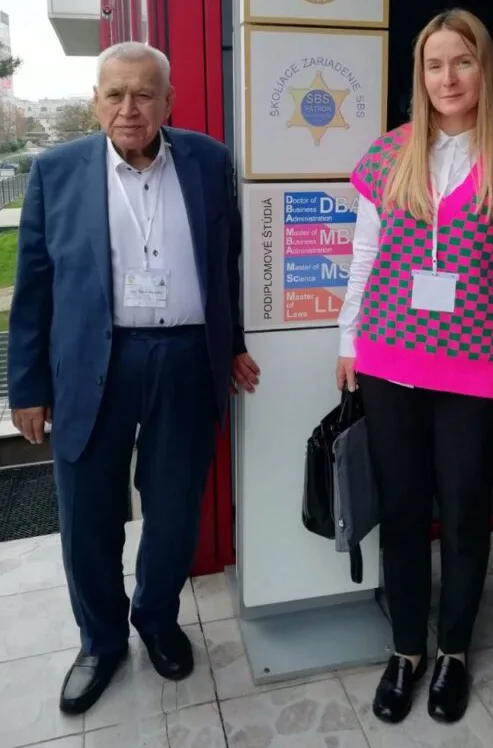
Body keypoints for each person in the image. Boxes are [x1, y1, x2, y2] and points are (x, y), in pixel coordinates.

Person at [8, 42, 259, 715]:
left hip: (184, 360)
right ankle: (100, 641)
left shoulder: (209, 161)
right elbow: (33, 288)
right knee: (88, 513)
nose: (129, 108)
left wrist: (231, 342)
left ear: (168, 101)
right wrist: (26, 387)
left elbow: (225, 264)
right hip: (93, 363)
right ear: (95, 101)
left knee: (174, 509)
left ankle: (156, 619)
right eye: (115, 94)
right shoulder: (57, 171)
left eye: (144, 94)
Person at [336, 8, 493, 725]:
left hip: (477, 369)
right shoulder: (386, 157)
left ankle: (453, 649)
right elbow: (365, 256)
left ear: (486, 70)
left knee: (463, 514)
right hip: (388, 361)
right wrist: (347, 341)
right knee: (401, 511)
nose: (448, 78)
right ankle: (407, 649)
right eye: (434, 65)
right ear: (419, 75)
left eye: (463, 62)